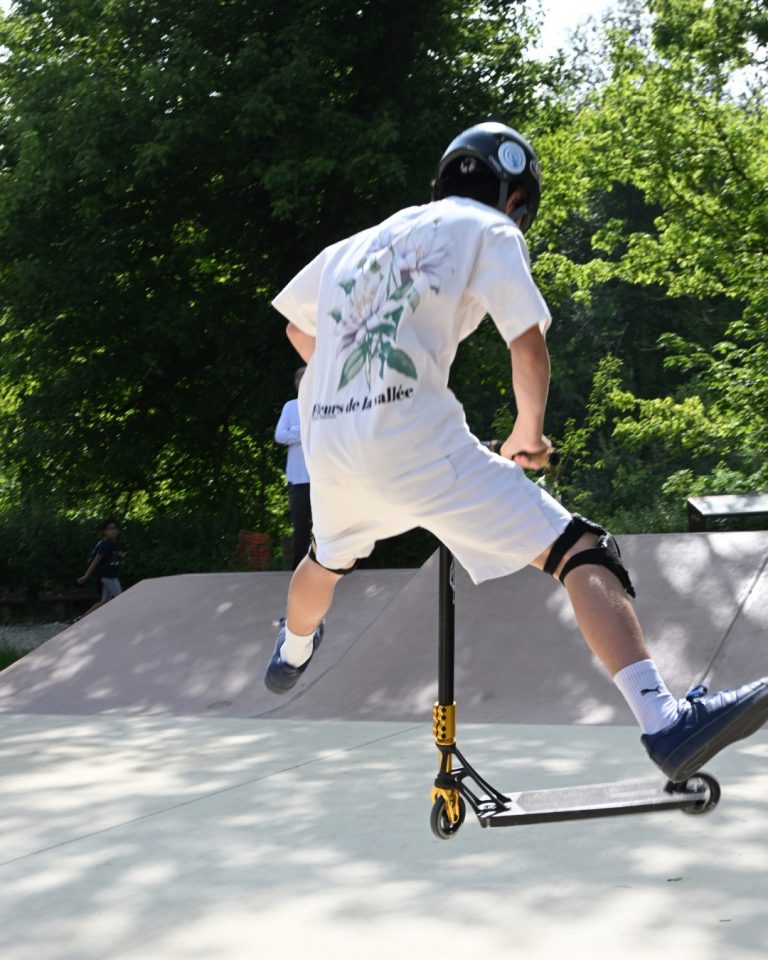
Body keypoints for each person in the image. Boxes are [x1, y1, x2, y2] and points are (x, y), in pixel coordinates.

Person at [263, 121, 768, 784]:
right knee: (580, 552)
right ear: (514, 200)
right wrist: (528, 432)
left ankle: (293, 649)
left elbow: (298, 325)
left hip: (330, 440)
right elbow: (526, 345)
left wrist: (346, 381)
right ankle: (664, 723)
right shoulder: (488, 229)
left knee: (325, 560)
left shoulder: (358, 245)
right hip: (415, 440)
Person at [275, 366, 312, 569]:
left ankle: (327, 567)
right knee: (300, 526)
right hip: (297, 478)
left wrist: (297, 435)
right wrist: (302, 436)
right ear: (297, 385)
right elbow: (279, 435)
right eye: (302, 381)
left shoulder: (323, 406)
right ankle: (299, 568)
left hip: (321, 478)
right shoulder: (290, 407)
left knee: (325, 526)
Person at [77, 518, 125, 616]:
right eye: (110, 528)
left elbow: (114, 557)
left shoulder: (112, 544)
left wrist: (120, 555)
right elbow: (96, 559)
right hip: (108, 576)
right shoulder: (107, 543)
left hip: (109, 575)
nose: (113, 530)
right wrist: (86, 576)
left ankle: (82, 618)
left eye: (115, 528)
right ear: (104, 532)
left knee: (104, 601)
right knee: (122, 598)